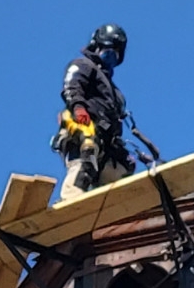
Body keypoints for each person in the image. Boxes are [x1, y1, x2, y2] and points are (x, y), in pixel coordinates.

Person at [53, 24, 136, 198]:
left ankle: (115, 205)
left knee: (121, 170)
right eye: (107, 53)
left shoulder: (116, 93)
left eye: (114, 57)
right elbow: (72, 86)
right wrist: (78, 107)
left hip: (107, 141)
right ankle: (71, 198)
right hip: (85, 129)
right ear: (96, 47)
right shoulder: (83, 65)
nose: (109, 60)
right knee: (87, 157)